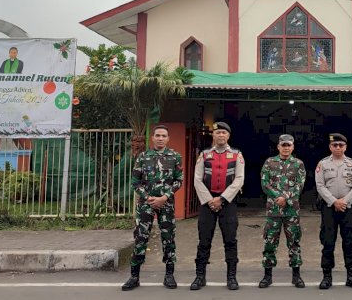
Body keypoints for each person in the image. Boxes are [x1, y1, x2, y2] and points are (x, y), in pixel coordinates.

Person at [122, 125, 184, 291]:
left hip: (166, 204)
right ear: (152, 138)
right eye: (157, 135)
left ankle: (169, 275)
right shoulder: (143, 157)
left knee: (168, 239)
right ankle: (134, 276)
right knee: (141, 238)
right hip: (146, 205)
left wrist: (164, 197)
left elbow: (179, 181)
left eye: (164, 136)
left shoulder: (175, 157)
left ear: (168, 139)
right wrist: (148, 198)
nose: (160, 138)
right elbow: (135, 182)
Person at [190, 122, 245, 291]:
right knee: (204, 241)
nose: (221, 135)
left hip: (227, 204)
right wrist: (209, 200)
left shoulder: (237, 154)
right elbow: (197, 178)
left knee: (230, 240)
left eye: (224, 133)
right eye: (218, 132)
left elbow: (239, 179)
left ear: (228, 136)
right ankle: (200, 276)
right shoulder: (205, 154)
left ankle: (231, 277)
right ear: (213, 135)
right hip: (207, 204)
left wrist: (221, 199)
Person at [315, 133, 352, 290]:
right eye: (334, 145)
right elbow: (320, 185)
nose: (337, 147)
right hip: (329, 208)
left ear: (345, 147)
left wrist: (344, 201)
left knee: (349, 242)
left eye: (340, 145)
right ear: (330, 147)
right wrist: (334, 201)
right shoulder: (322, 164)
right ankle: (326, 277)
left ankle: (351, 276)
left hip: (348, 208)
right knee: (328, 242)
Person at [258, 134, 307, 289]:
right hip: (273, 210)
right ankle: (267, 276)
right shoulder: (269, 162)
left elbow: (299, 185)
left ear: (293, 147)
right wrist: (277, 197)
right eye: (283, 145)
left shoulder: (298, 164)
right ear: (278, 146)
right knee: (270, 242)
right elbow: (265, 183)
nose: (286, 148)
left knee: (294, 242)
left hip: (291, 210)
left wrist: (285, 197)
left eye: (289, 145)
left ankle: (296, 275)